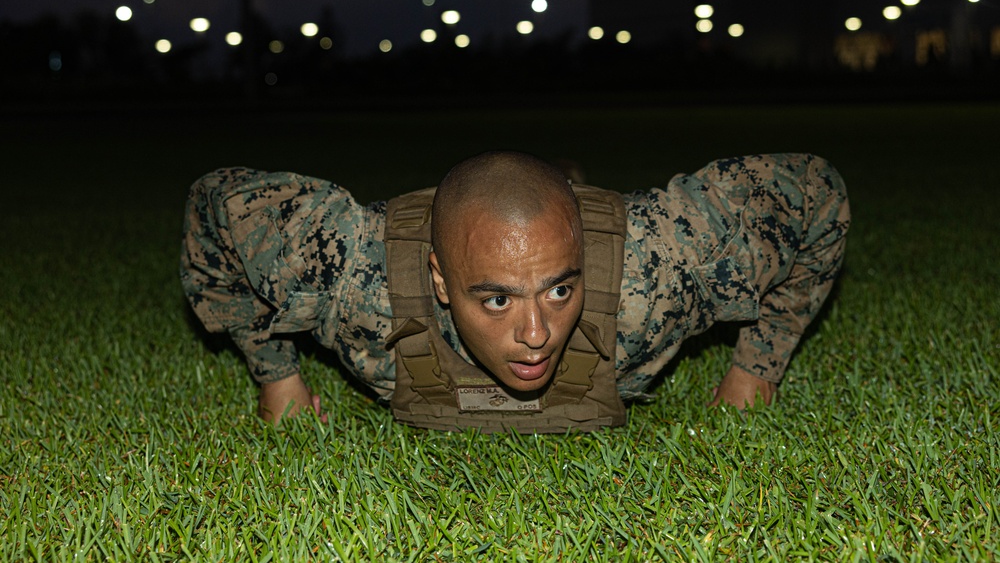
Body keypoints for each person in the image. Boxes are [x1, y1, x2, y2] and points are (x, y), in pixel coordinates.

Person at [180, 151, 849, 429]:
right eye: (496, 299)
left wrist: (755, 367)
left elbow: (817, 192)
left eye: (560, 290)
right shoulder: (357, 279)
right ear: (439, 282)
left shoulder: (657, 270)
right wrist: (277, 378)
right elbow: (217, 202)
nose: (537, 333)